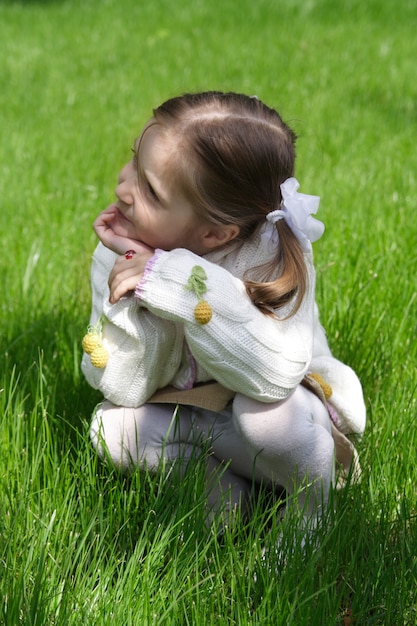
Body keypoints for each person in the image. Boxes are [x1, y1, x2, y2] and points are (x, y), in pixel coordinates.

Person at [81, 91, 366, 530]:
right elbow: (119, 385)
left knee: (267, 420)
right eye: (134, 161)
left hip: (279, 428)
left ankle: (310, 513)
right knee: (110, 429)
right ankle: (230, 502)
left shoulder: (272, 255)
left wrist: (173, 281)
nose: (122, 187)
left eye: (151, 190)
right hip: (193, 420)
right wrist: (140, 296)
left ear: (216, 234)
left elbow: (272, 378)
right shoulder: (121, 253)